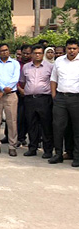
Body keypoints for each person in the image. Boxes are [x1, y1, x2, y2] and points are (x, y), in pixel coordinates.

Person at [19, 44, 54, 158]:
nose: (37, 55)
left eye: (39, 53)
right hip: (29, 99)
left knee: (46, 125)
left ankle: (47, 150)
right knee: (31, 124)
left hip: (44, 99)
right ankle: (32, 148)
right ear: (32, 54)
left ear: (43, 54)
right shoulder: (26, 67)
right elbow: (23, 81)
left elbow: (53, 82)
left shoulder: (50, 67)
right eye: (35, 53)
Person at [48, 38, 79, 166]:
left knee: (77, 129)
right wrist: (54, 95)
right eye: (69, 48)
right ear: (66, 49)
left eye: (74, 48)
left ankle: (76, 156)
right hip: (60, 98)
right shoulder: (59, 61)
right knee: (58, 127)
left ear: (78, 49)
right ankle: (58, 154)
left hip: (76, 98)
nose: (71, 51)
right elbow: (53, 78)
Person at [0, 43, 21, 156]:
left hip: (10, 95)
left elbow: (15, 78)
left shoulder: (15, 63)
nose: (4, 52)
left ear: (9, 51)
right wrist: (1, 89)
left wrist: (4, 90)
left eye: (6, 50)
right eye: (2, 51)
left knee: (12, 121)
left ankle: (12, 146)